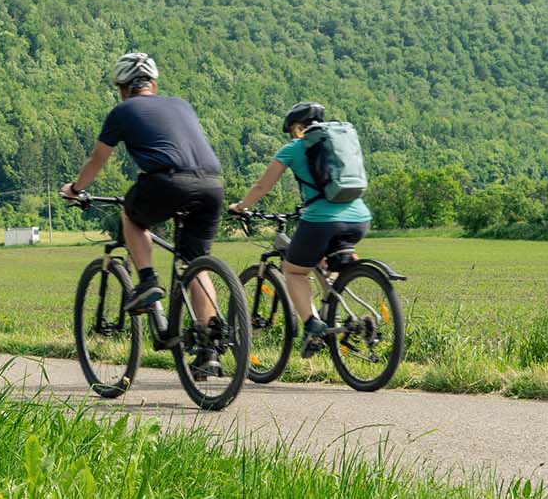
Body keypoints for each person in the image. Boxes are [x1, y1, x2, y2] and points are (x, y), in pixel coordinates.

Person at [61, 52, 228, 375]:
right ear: (153, 84)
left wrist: (76, 189)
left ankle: (148, 281)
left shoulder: (122, 111)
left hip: (167, 182)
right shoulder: (181, 104)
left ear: (122, 88)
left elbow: (97, 160)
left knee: (131, 215)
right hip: (212, 185)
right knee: (194, 263)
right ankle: (208, 350)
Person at [229, 102, 373, 357]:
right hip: (360, 218)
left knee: (293, 271)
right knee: (325, 262)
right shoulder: (340, 143)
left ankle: (312, 325)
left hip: (322, 219)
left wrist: (240, 207)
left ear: (297, 127)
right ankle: (340, 313)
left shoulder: (295, 147)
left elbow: (262, 186)